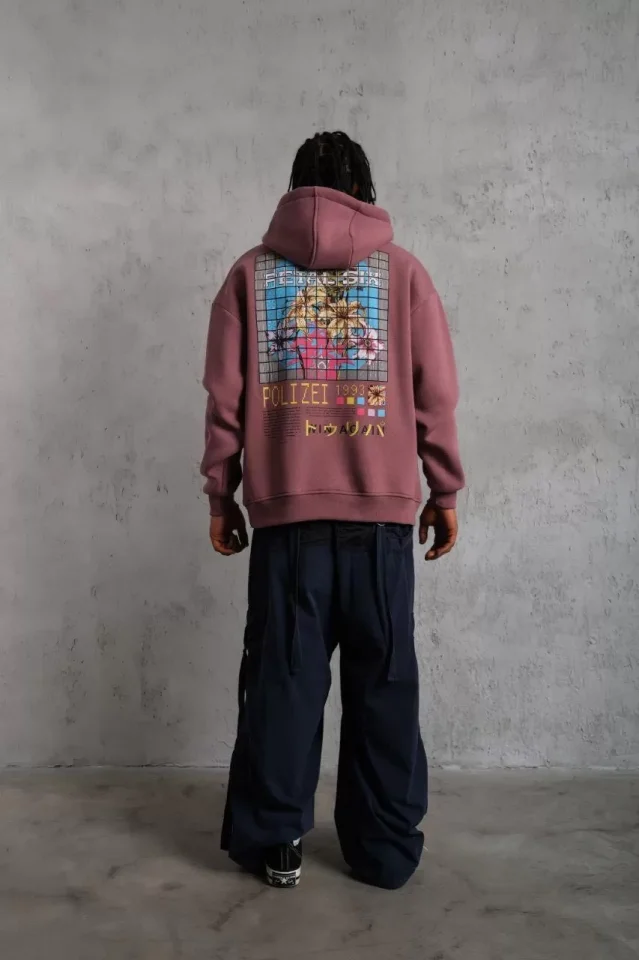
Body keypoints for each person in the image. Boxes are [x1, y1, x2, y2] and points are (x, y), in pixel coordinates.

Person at [201, 131, 465, 890]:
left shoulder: (250, 275)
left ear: (295, 188)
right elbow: (436, 394)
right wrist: (443, 488)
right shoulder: (402, 273)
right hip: (381, 524)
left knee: (283, 680)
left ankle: (275, 840)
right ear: (364, 189)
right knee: (385, 683)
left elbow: (224, 400)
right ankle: (383, 850)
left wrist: (221, 494)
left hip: (288, 524)